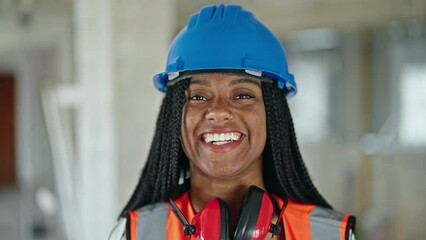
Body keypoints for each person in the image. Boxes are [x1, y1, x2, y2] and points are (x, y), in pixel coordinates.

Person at [110, 4, 356, 240]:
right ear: (174, 117)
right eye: (197, 96)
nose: (218, 112)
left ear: (273, 115)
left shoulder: (331, 235)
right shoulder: (134, 233)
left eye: (243, 95)